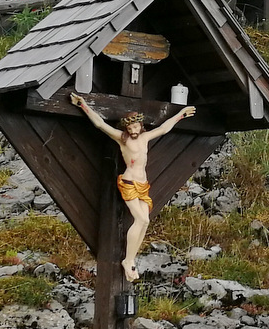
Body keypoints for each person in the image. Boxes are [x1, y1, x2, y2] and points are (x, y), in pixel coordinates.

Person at [69, 95, 197, 279]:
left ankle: (131, 259)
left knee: (145, 222)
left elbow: (163, 128)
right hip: (129, 183)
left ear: (140, 125)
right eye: (130, 128)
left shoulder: (144, 137)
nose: (133, 130)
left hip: (143, 185)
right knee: (141, 220)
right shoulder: (123, 139)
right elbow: (100, 124)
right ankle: (128, 260)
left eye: (135, 127)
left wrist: (181, 115)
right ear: (126, 129)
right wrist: (83, 105)